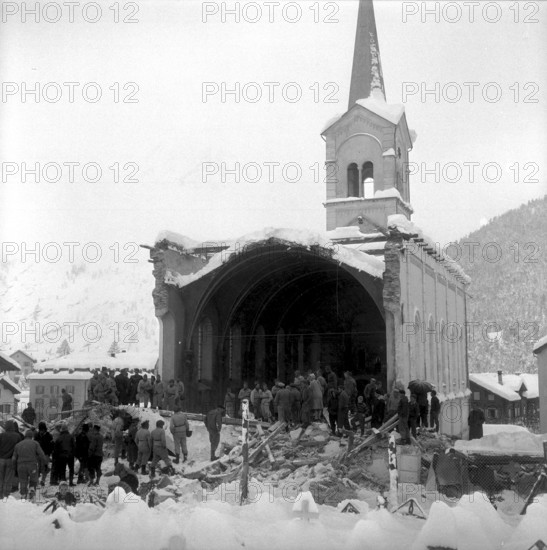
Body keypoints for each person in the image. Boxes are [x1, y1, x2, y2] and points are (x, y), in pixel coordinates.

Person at [12, 429, 47, 500]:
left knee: (23, 481)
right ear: (32, 436)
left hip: (21, 466)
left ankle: (23, 495)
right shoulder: (35, 443)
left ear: (25, 436)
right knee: (33, 479)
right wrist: (45, 463)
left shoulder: (18, 445)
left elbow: (14, 458)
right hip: (32, 466)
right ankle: (32, 491)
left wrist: (14, 467)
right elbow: (42, 454)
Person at [0, 420, 22, 499]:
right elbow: (19, 449)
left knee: (0, 478)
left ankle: (0, 496)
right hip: (11, 460)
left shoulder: (1, 435)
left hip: (1, 460)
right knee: (8, 479)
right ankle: (6, 496)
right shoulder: (17, 436)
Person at [54, 422, 75, 486]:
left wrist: (56, 456)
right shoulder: (71, 436)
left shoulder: (59, 437)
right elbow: (74, 446)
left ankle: (63, 481)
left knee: (62, 469)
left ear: (62, 429)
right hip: (70, 455)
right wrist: (73, 454)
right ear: (67, 429)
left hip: (61, 456)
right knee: (71, 468)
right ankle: (71, 482)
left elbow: (56, 448)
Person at [34, 421, 53, 487]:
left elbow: (51, 445)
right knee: (38, 468)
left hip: (46, 454)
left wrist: (49, 452)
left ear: (44, 429)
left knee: (44, 467)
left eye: (42, 430)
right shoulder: (36, 435)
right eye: (40, 430)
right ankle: (37, 481)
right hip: (38, 455)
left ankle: (43, 480)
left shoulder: (49, 436)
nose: (41, 431)